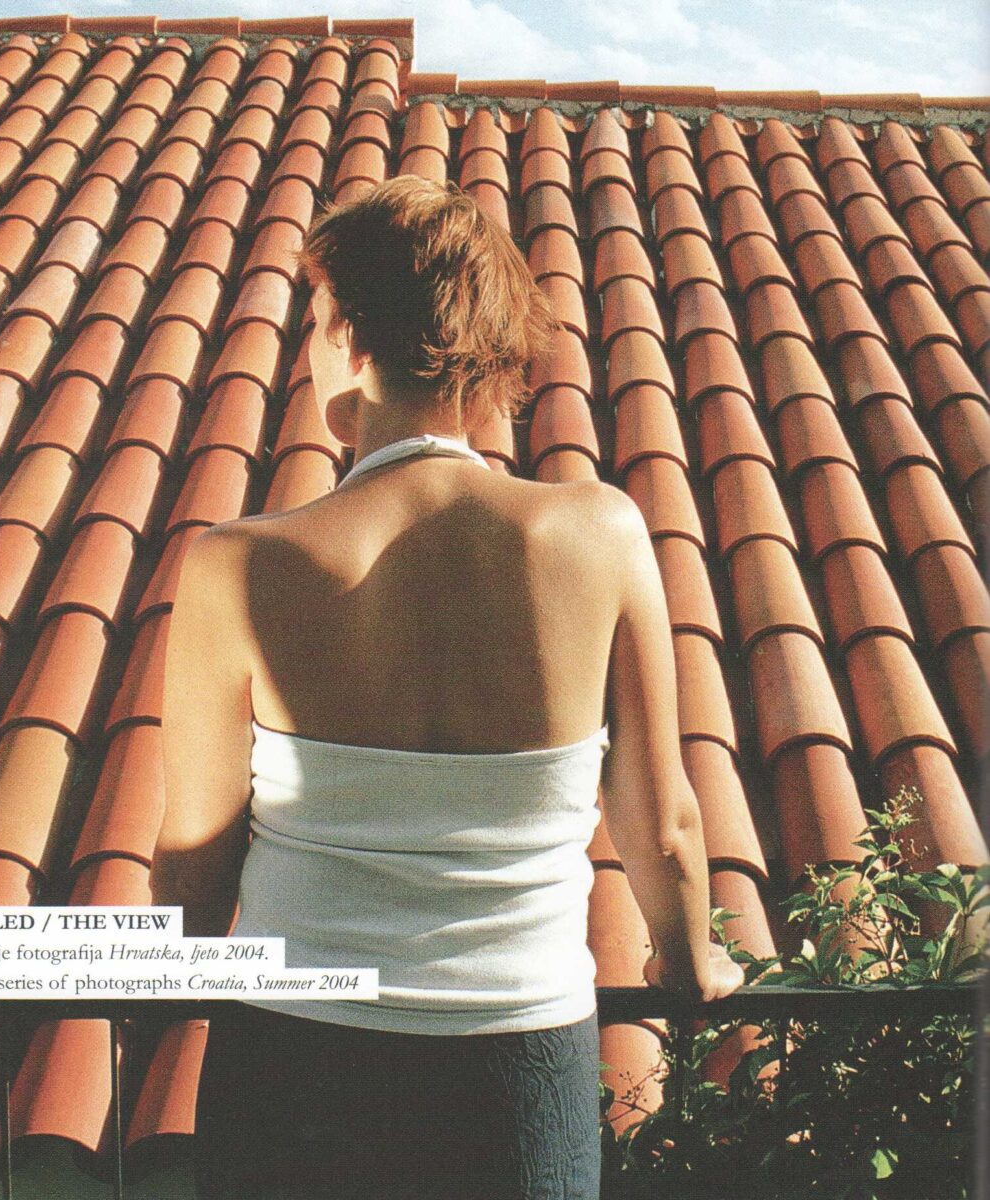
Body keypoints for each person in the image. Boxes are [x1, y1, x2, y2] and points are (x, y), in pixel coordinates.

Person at [152, 176, 745, 1200]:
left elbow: (195, 865)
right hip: (514, 1071)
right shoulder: (600, 536)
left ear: (346, 335)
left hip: (294, 1064)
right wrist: (690, 967)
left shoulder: (235, 566)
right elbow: (665, 824)